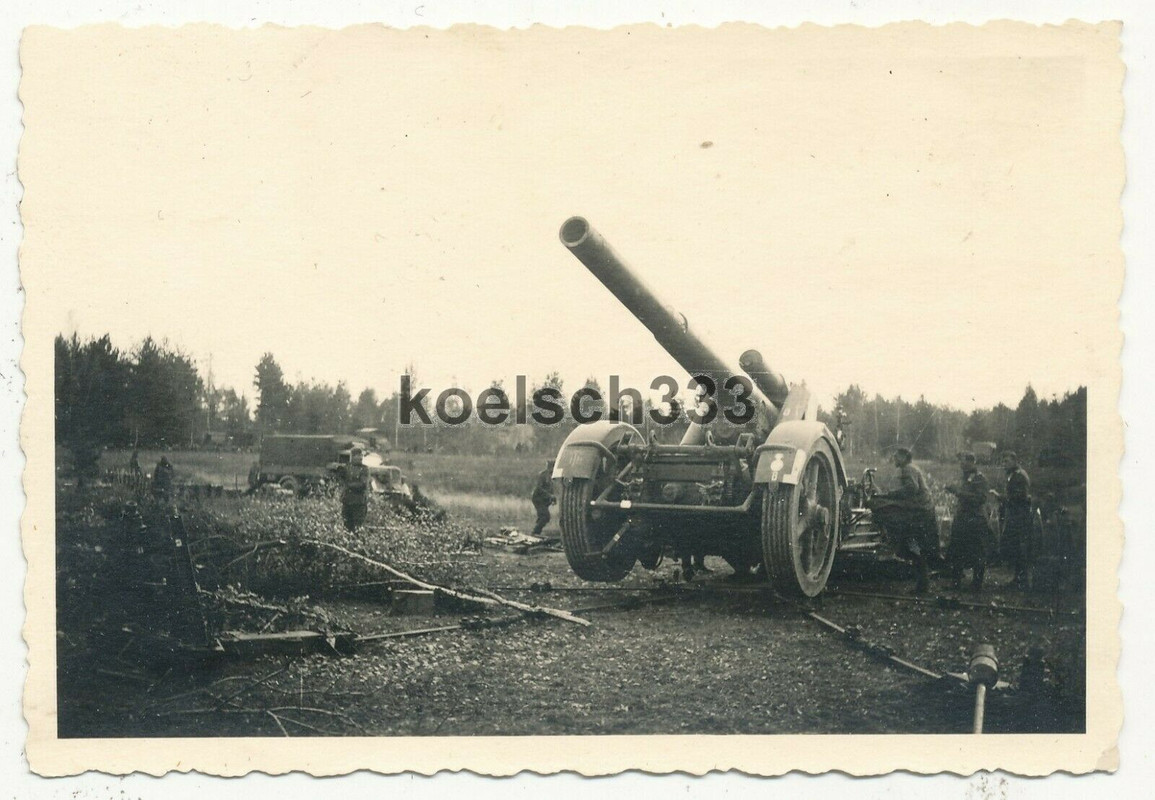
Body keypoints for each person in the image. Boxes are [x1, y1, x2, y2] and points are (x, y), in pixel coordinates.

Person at [869, 447, 936, 594]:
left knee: (910, 543)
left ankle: (889, 538)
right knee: (914, 546)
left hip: (919, 510)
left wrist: (890, 495)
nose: (894, 458)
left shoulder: (908, 469)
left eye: (897, 456)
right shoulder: (911, 468)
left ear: (904, 457)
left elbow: (912, 488)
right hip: (922, 508)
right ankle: (923, 583)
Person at [945, 452, 991, 591]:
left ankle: (977, 584)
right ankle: (956, 583)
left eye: (964, 461)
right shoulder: (964, 477)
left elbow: (980, 499)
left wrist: (958, 492)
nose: (961, 464)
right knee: (957, 550)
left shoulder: (980, 478)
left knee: (978, 551)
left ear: (972, 462)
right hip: (962, 518)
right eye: (960, 461)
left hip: (975, 519)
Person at [997, 450, 1033, 588]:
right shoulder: (1013, 475)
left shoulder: (1019, 476)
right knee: (1015, 547)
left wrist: (1001, 498)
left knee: (1020, 547)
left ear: (1014, 461)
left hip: (1020, 516)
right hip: (1014, 515)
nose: (1004, 464)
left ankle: (1022, 580)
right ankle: (1018, 578)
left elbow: (1021, 497)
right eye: (1002, 461)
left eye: (1006, 461)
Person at [341, 447, 371, 532]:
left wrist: (349, 485)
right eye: (358, 455)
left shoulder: (364, 469)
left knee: (357, 527)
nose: (361, 458)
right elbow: (341, 479)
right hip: (347, 501)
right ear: (353, 457)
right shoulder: (347, 467)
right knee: (346, 526)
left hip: (359, 502)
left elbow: (362, 484)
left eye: (361, 455)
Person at [530, 460, 556, 537]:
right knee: (545, 516)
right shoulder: (543, 475)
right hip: (538, 498)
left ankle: (536, 532)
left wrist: (552, 499)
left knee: (543, 517)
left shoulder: (551, 476)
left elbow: (550, 489)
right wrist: (549, 496)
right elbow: (539, 488)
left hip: (544, 500)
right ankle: (535, 532)